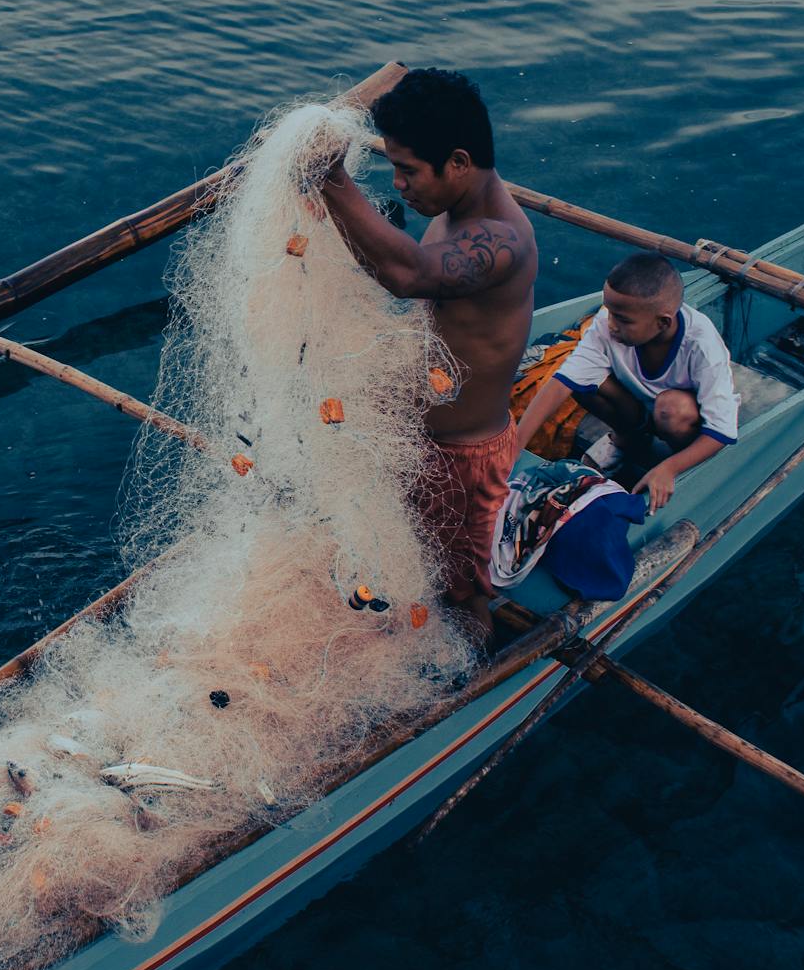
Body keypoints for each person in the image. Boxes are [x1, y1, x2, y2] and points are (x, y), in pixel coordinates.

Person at [316, 68, 538, 642]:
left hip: (463, 463)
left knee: (457, 593)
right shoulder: (451, 211)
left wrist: (331, 178)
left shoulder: (502, 240)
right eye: (393, 167)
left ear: (458, 162)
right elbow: (395, 268)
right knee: (402, 564)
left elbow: (407, 274)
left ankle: (467, 684)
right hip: (420, 441)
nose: (398, 184)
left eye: (408, 170)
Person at [512, 252, 739, 513]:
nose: (611, 324)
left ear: (663, 322)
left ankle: (678, 462)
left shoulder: (702, 345)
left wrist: (668, 468)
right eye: (609, 311)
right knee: (579, 380)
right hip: (636, 410)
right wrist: (514, 446)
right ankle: (628, 438)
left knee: (672, 409)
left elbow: (722, 431)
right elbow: (562, 382)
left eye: (623, 319)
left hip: (677, 418)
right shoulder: (607, 324)